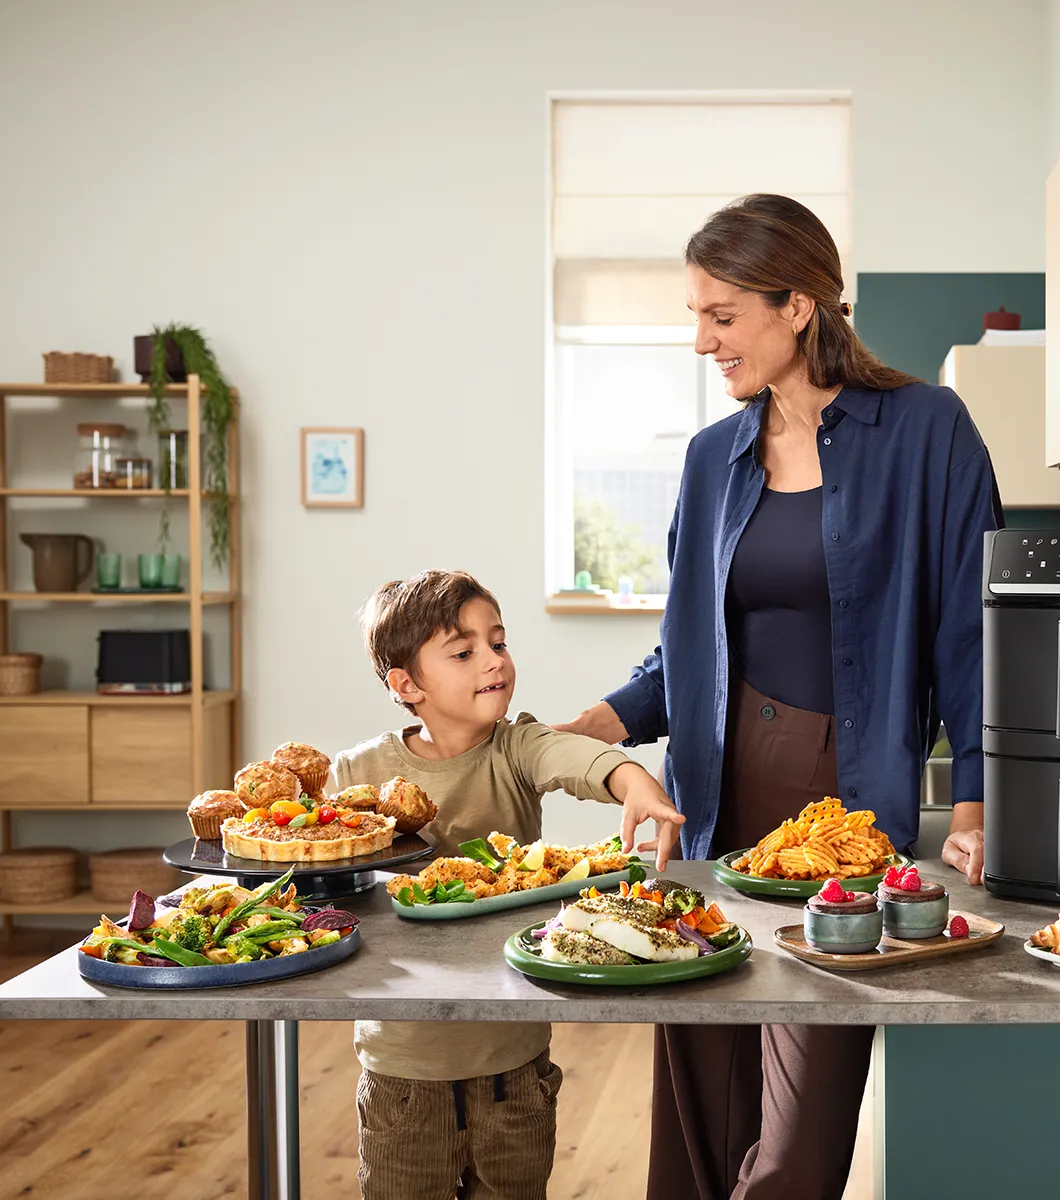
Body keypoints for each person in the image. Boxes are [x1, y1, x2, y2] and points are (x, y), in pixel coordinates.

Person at [558, 194, 1000, 1200]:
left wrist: (971, 803)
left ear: (797, 303)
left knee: (798, 1139)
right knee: (701, 1106)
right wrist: (598, 726)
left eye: (721, 315)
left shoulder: (926, 430)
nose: (702, 340)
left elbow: (970, 636)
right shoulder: (711, 459)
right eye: (695, 315)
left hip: (847, 812)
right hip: (714, 802)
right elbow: (687, 649)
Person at [328, 569, 683, 1200]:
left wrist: (640, 788)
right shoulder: (360, 772)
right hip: (405, 1063)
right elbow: (327, 880)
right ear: (406, 685)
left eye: (498, 642)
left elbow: (583, 760)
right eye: (464, 652)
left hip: (511, 1060)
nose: (493, 661)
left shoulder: (516, 747)